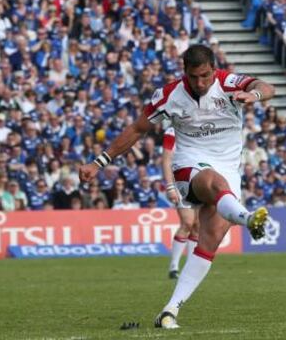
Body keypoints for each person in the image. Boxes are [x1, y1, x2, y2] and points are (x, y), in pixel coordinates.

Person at [78, 44, 274, 330]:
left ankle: (169, 310)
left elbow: (267, 87)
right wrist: (98, 162)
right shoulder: (169, 95)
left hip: (229, 168)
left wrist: (253, 94)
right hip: (189, 164)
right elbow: (136, 129)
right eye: (194, 77)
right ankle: (247, 218)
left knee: (210, 240)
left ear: (214, 69)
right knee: (213, 183)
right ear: (185, 72)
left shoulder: (228, 83)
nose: (200, 83)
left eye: (206, 76)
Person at [161, 127, 198, 280]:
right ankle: (174, 267)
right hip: (180, 181)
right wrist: (170, 187)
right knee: (187, 223)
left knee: (198, 226)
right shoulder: (171, 132)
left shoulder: (199, 127)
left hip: (198, 178)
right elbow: (166, 160)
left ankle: (190, 268)